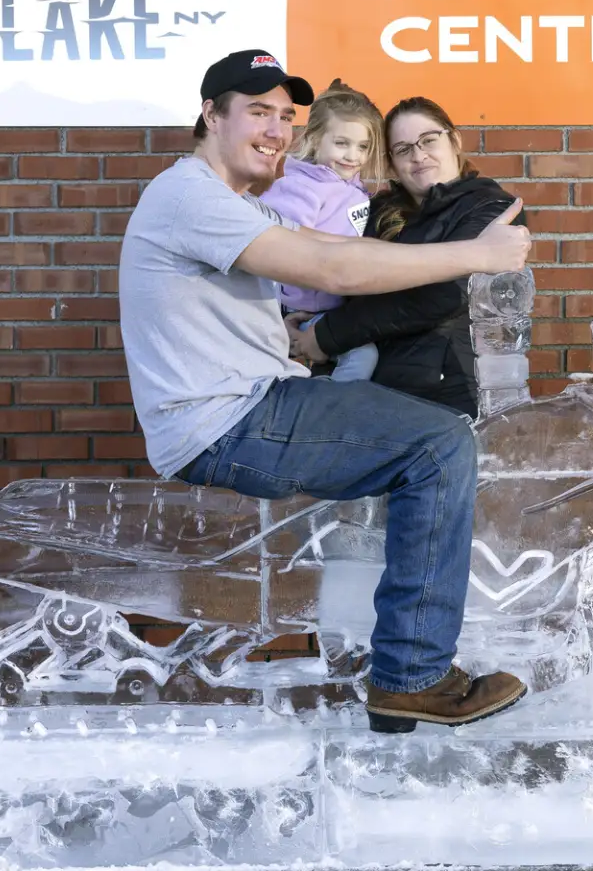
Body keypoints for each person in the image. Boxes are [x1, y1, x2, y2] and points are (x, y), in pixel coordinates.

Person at [119, 48, 529, 732]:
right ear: (210, 116)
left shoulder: (237, 205)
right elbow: (333, 265)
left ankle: (401, 706)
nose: (276, 130)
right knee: (438, 445)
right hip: (229, 417)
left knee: (424, 441)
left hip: (251, 403)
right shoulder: (189, 194)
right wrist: (478, 256)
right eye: (257, 113)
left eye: (286, 116)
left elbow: (339, 255)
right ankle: (415, 676)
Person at [288, 97, 526, 418]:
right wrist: (299, 315)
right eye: (403, 149)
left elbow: (438, 295)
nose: (418, 155)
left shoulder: (491, 209)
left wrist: (327, 334)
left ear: (454, 141)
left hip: (436, 398)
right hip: (355, 390)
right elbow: (332, 265)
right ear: (391, 163)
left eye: (429, 140)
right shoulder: (375, 210)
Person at [257, 78, 385, 383]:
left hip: (335, 307)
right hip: (303, 308)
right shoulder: (301, 187)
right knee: (363, 354)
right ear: (315, 139)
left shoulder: (353, 188)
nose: (353, 156)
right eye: (341, 143)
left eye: (363, 147)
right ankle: (334, 398)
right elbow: (281, 245)